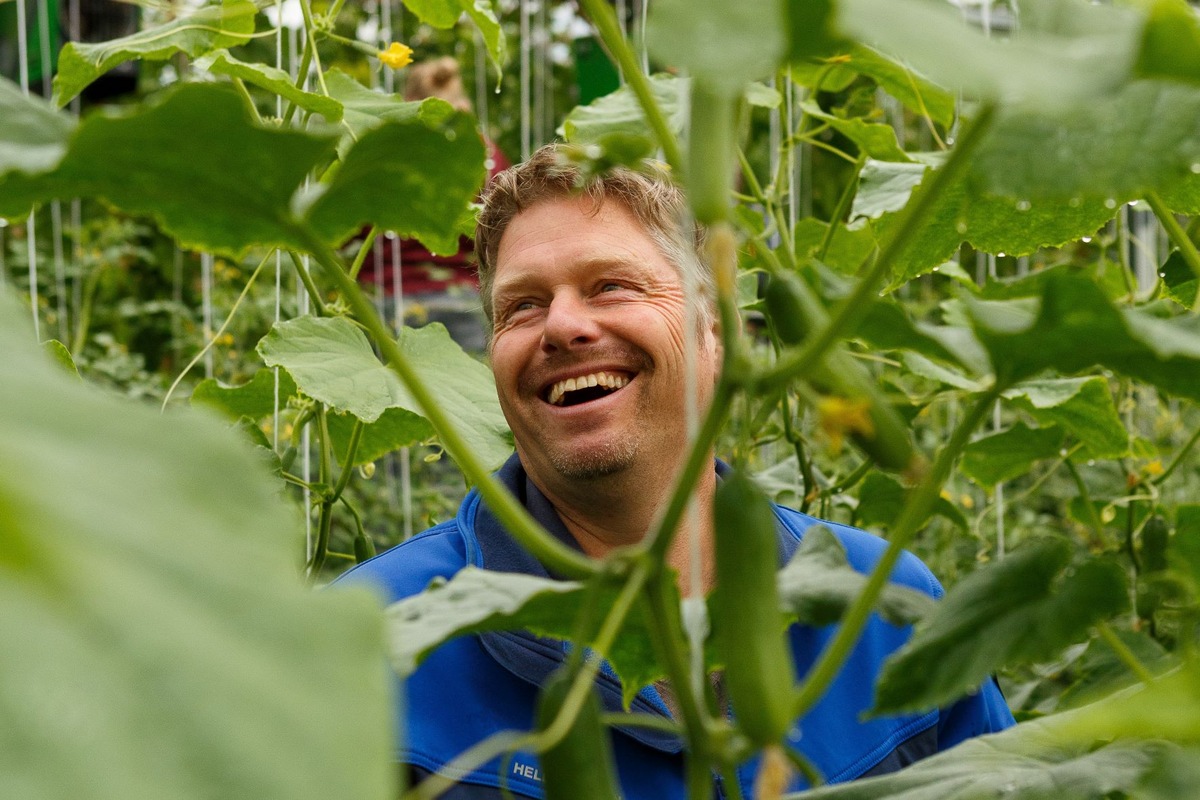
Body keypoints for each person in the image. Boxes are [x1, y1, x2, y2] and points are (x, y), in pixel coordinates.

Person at [337, 143, 1014, 798]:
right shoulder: (360, 642)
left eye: (611, 286)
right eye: (523, 306)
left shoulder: (889, 603)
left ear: (713, 332)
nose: (563, 325)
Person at [357, 56, 510, 352]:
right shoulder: (484, 153)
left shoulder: (384, 154)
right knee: (461, 392)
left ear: (408, 101)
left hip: (389, 296)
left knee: (389, 392)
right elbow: (503, 229)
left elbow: (345, 228)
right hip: (461, 298)